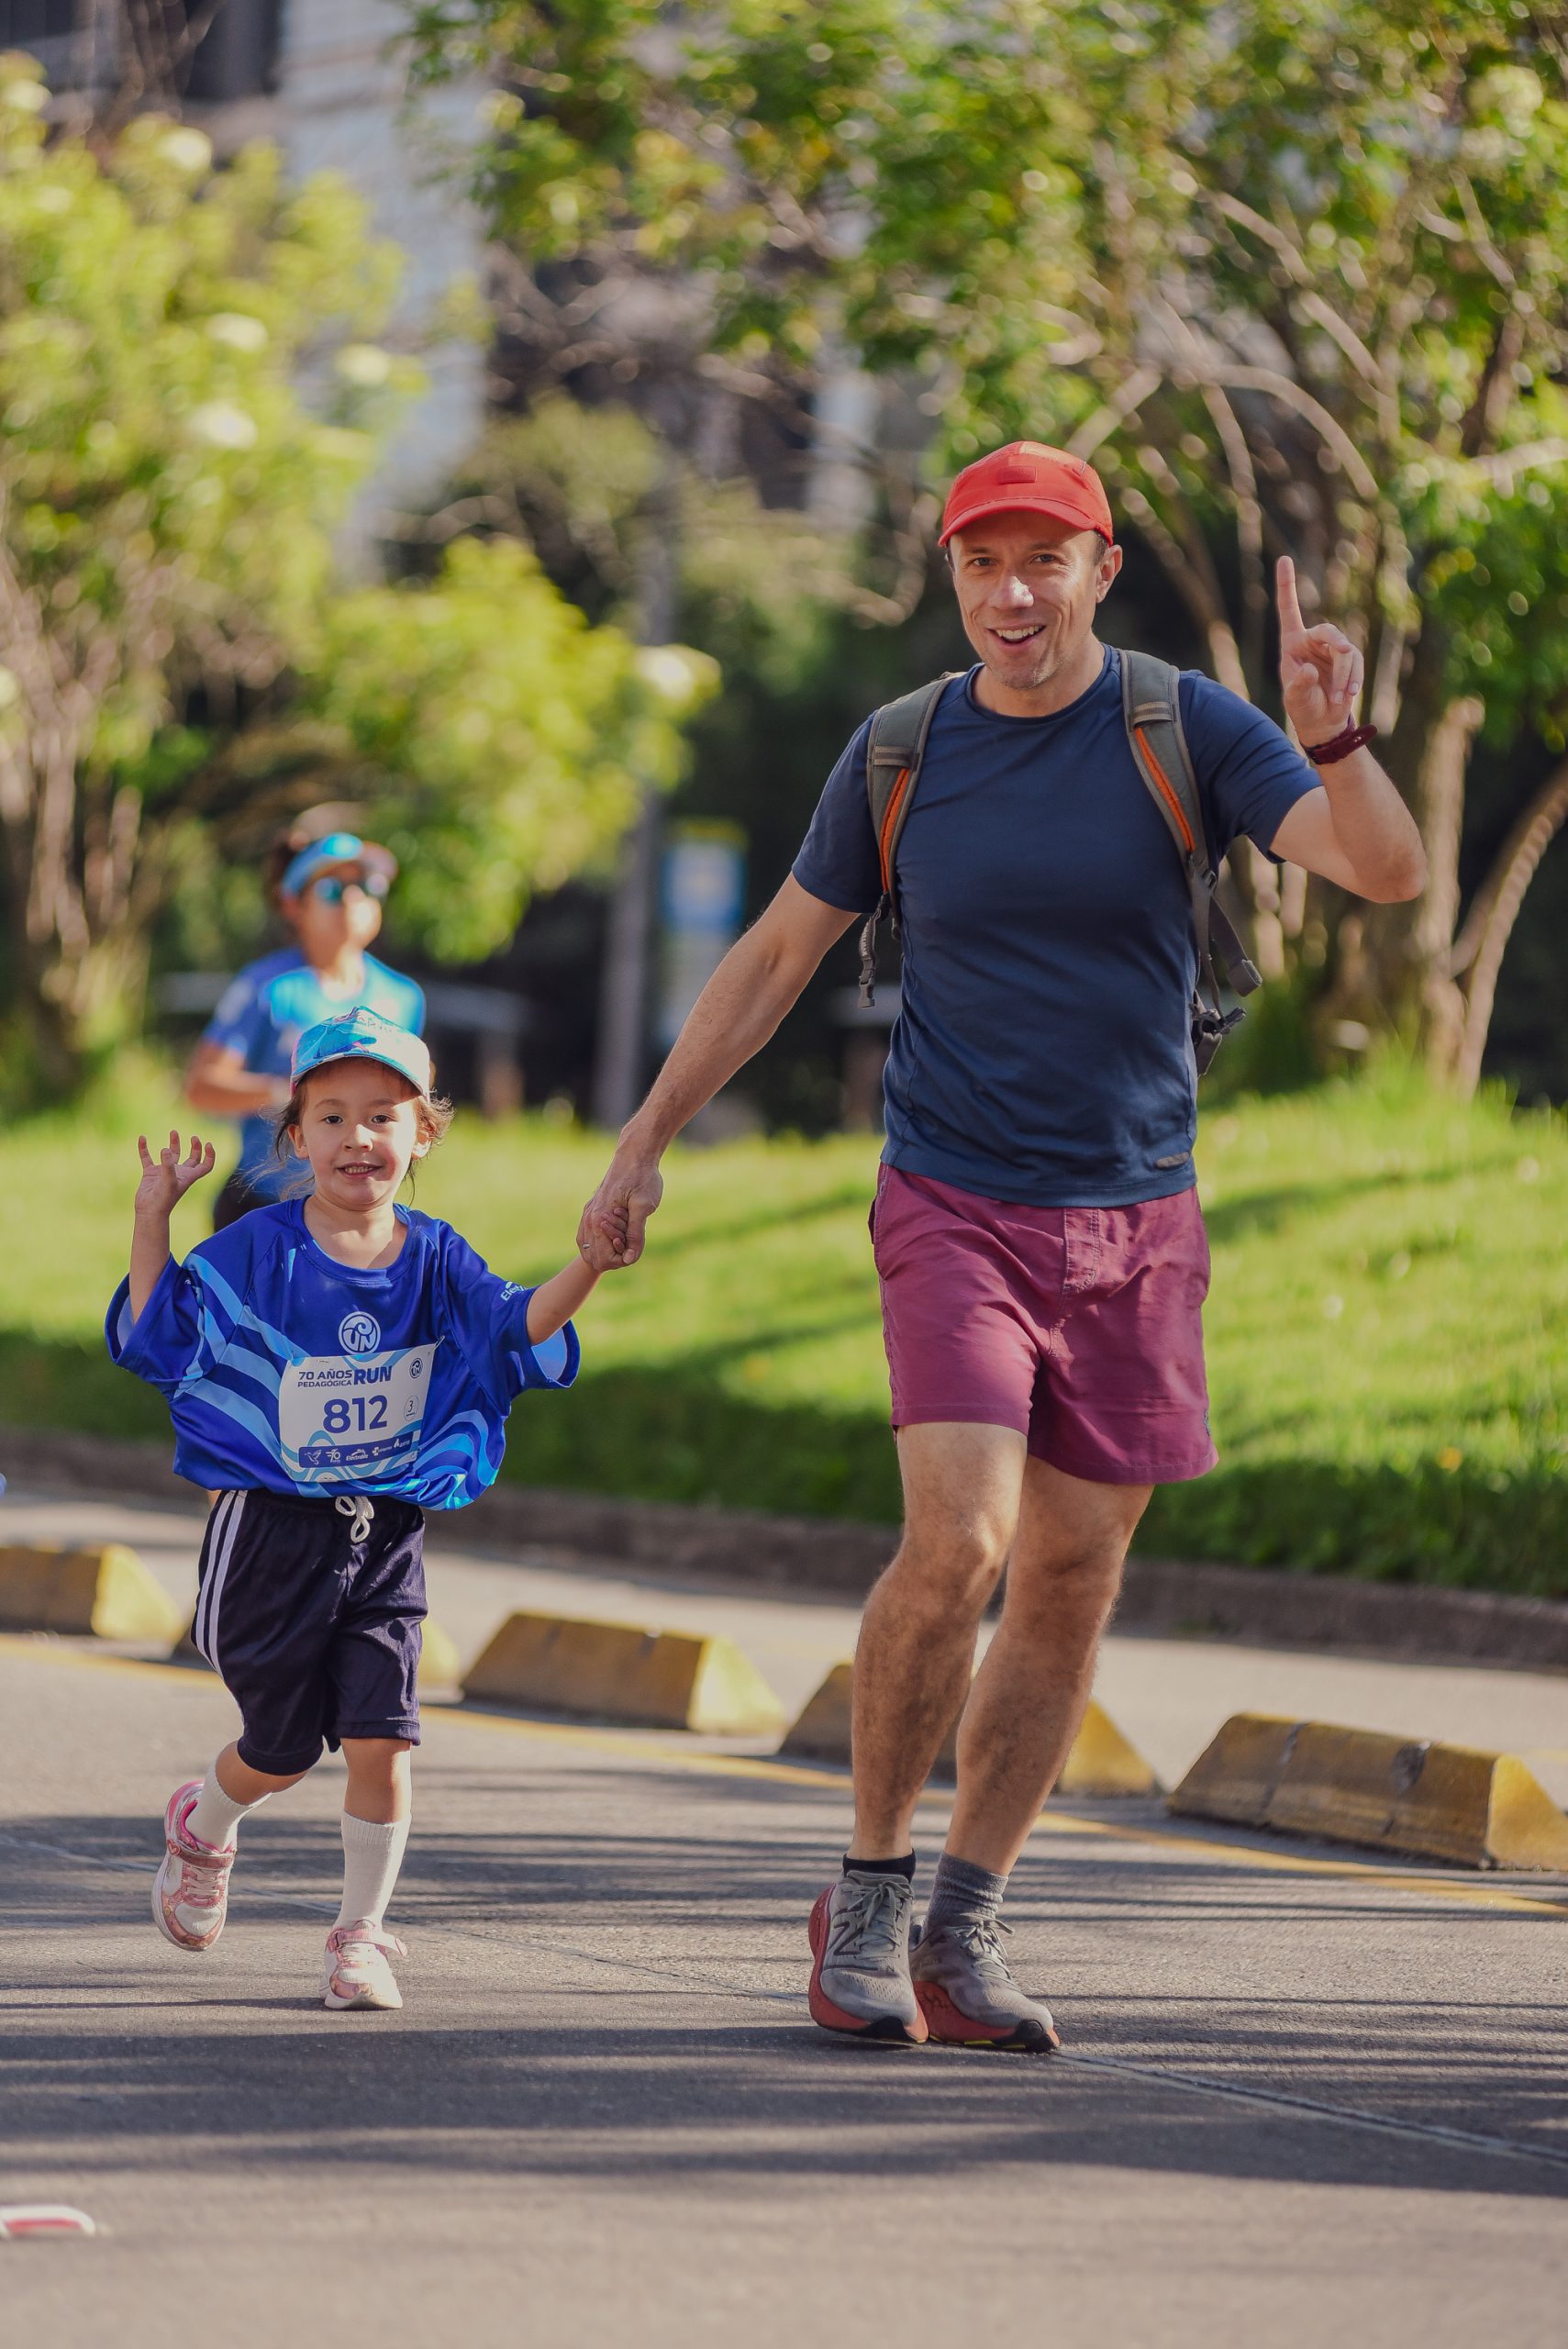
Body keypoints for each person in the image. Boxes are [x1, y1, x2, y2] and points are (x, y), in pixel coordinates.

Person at [577, 440, 1426, 2054]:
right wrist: (645, 1138)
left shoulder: (1182, 726)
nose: (1011, 593)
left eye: (1043, 560)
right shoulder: (902, 748)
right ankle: (867, 1892)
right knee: (960, 1543)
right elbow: (777, 954)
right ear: (952, 577)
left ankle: (963, 1923)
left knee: (1070, 1575)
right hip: (952, 1200)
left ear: (1100, 570)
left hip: (1135, 1219)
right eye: (982, 563)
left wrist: (1335, 738)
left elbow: (1383, 871)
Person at [108, 1008, 617, 2012]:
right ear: (295, 1136)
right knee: (282, 1750)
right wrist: (153, 1217)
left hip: (384, 1534)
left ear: (422, 1133)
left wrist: (591, 1263)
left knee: (386, 1738)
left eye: (382, 1116)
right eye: (332, 1116)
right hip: (270, 1534)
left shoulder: (437, 1258)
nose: (357, 1138)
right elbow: (160, 1333)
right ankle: (204, 1826)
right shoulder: (257, 1250)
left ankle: (358, 1937)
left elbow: (515, 1328)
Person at [185, 817, 425, 1230]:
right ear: (294, 905)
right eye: (333, 888)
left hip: (358, 1211)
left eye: (367, 886)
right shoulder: (269, 988)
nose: (352, 899)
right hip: (262, 1207)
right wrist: (296, 1096)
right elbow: (202, 1086)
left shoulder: (403, 997)